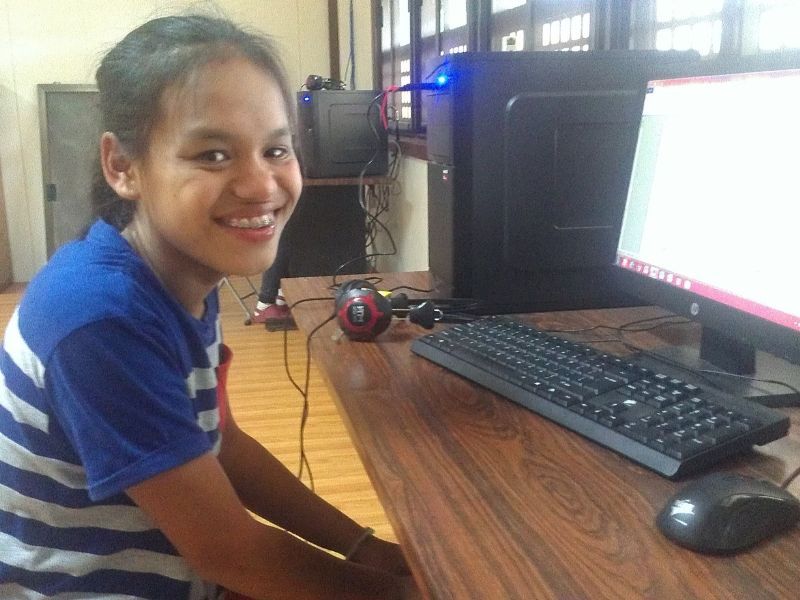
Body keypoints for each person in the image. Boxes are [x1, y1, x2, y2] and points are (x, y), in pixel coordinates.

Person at [0, 13, 418, 600]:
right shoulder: (101, 319)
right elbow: (229, 554)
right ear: (123, 167)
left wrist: (362, 548)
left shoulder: (177, 273)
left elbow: (222, 442)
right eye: (213, 155)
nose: (260, 184)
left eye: (276, 149)